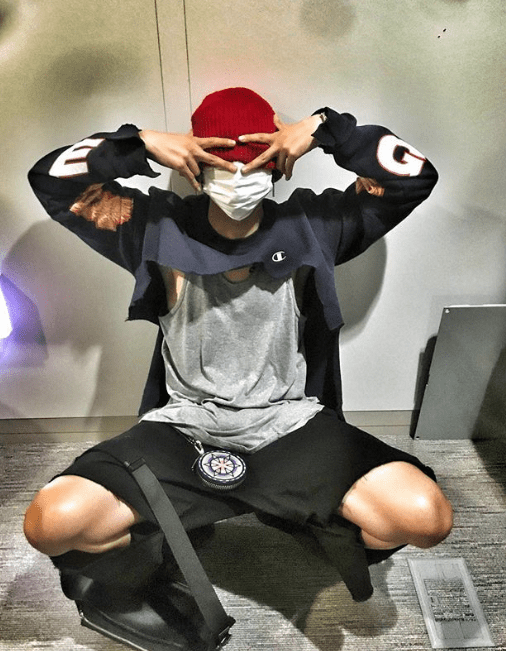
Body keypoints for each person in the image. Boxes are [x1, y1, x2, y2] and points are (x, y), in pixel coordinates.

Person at [24, 87, 452, 647]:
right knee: (51, 523)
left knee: (425, 516)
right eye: (223, 166)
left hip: (289, 425)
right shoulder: (155, 226)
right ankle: (161, 553)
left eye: (253, 164)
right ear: (195, 165)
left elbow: (412, 178)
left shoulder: (314, 225)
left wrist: (325, 129)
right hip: (185, 427)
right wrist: (138, 144)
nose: (239, 178)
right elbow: (52, 181)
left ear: (277, 162)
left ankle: (308, 522)